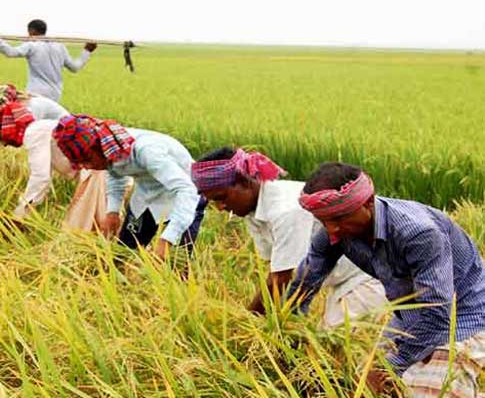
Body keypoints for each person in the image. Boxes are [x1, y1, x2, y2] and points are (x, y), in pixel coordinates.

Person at [287, 162, 485, 396]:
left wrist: (389, 366)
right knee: (364, 386)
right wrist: (288, 330)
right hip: (408, 314)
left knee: (432, 389)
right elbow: (305, 282)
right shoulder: (335, 232)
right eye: (324, 221)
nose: (331, 230)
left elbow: (438, 315)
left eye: (338, 219)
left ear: (368, 203)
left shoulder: (418, 233)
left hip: (463, 315)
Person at [191, 147, 387, 324]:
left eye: (221, 198)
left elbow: (281, 279)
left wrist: (245, 323)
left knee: (342, 351)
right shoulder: (252, 213)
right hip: (342, 282)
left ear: (244, 181)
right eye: (213, 202)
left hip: (368, 277)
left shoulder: (286, 210)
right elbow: (276, 269)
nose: (220, 207)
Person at [53, 114, 206, 260]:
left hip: (182, 199)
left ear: (97, 148)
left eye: (86, 160)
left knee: (176, 262)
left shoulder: (147, 151)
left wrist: (167, 239)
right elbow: (115, 172)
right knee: (123, 254)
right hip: (146, 197)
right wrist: (112, 211)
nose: (85, 167)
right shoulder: (111, 149)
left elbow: (187, 190)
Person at [0, 92, 107, 230]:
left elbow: (41, 177)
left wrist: (20, 214)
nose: (3, 144)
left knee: (81, 228)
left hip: (97, 171)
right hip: (96, 170)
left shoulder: (34, 133)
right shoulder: (40, 128)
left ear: (5, 130)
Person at [0, 19, 97, 102]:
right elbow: (75, 67)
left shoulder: (32, 45)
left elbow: (10, 52)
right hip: (55, 95)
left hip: (36, 94)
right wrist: (87, 51)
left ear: (31, 31)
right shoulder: (60, 46)